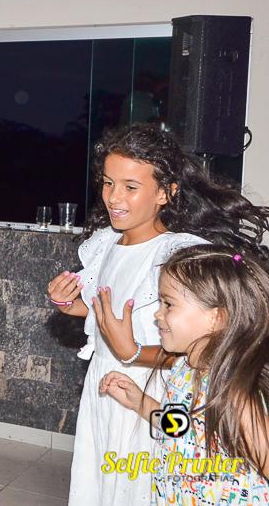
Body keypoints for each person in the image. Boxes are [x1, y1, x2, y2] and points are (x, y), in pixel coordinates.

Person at [48, 123, 269, 505]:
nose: (114, 196)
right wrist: (70, 304)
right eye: (108, 183)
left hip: (150, 379)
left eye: (130, 187)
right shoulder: (105, 245)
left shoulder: (177, 255)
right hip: (118, 387)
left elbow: (194, 347)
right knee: (101, 482)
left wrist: (132, 353)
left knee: (133, 485)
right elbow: (109, 312)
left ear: (166, 192)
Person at [100, 245, 269, 502]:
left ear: (216, 318)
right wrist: (140, 403)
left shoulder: (233, 393)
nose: (158, 314)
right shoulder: (183, 368)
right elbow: (181, 429)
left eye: (168, 304)